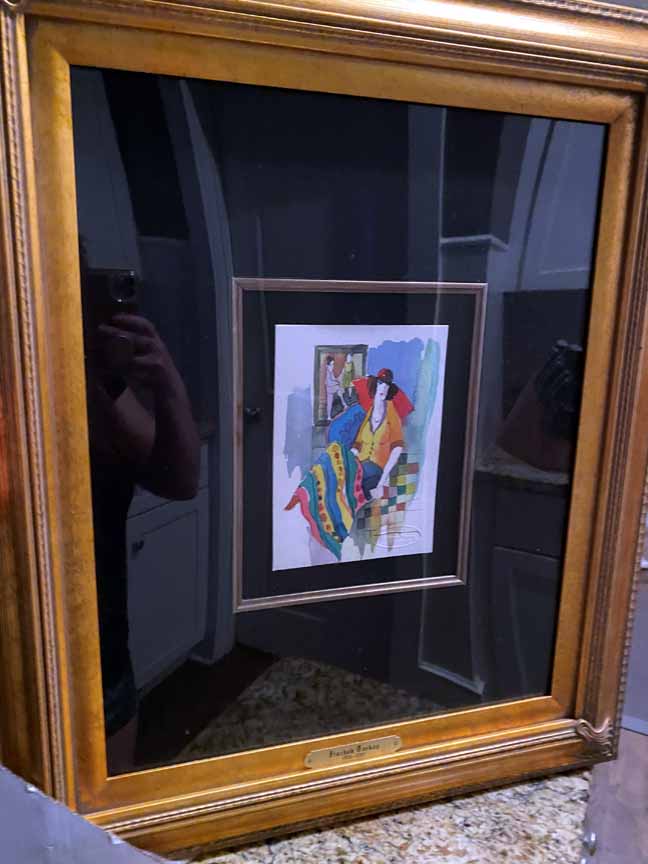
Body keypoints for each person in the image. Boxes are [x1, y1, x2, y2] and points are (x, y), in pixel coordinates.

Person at [82, 257, 200, 773]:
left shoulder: (98, 385)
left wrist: (166, 382)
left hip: (101, 656)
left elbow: (180, 480)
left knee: (102, 813)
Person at [324, 354, 342, 421]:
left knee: (330, 401)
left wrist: (336, 380)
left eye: (333, 364)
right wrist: (337, 381)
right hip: (330, 386)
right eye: (331, 364)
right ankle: (344, 404)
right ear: (328, 364)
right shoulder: (329, 369)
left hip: (329, 386)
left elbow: (332, 378)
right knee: (339, 391)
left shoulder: (329, 369)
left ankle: (328, 416)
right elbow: (331, 379)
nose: (333, 366)